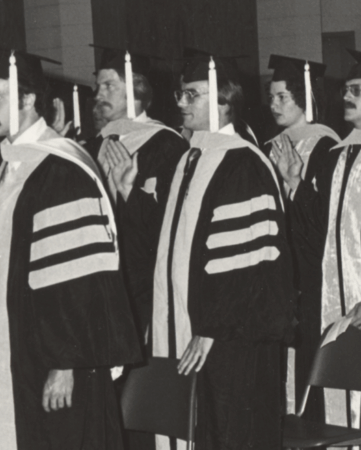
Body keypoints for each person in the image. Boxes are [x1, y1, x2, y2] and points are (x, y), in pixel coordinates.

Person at [0, 48, 141, 450]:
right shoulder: (10, 165)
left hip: (56, 360)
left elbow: (78, 277)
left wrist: (65, 363)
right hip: (16, 351)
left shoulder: (60, 169)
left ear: (29, 99)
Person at [152, 54, 295, 449]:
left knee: (228, 432)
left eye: (192, 95)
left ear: (224, 101)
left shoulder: (241, 161)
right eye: (181, 94)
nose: (181, 102)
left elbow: (249, 260)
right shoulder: (190, 158)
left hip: (231, 337)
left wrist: (212, 327)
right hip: (196, 327)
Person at [275, 48, 361, 436]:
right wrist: (295, 183)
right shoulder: (337, 155)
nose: (348, 96)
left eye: (358, 90)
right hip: (330, 302)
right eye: (347, 89)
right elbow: (317, 234)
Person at [90, 46, 188, 345]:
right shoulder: (95, 144)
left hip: (143, 279)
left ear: (136, 89)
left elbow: (171, 222)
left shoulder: (166, 145)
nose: (98, 94)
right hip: (100, 274)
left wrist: (129, 192)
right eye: (98, 86)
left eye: (109, 86)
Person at [263, 54, 340, 420]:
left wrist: (294, 184)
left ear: (305, 97)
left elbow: (325, 221)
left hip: (309, 273)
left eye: (283, 97)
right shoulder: (268, 146)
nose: (274, 104)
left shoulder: (325, 146)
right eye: (271, 97)